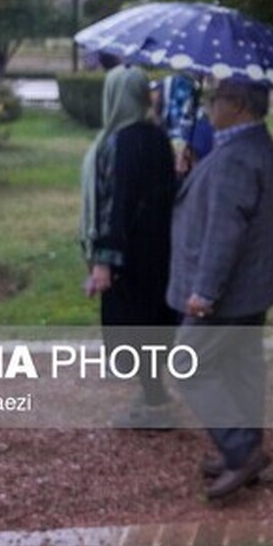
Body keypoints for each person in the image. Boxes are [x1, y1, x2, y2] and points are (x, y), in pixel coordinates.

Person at [167, 78, 273, 500]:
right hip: (253, 286)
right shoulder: (254, 145)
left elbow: (224, 231)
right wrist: (194, 173)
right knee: (240, 367)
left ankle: (240, 451)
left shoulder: (237, 155)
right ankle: (246, 447)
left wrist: (205, 293)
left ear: (237, 105)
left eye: (215, 100)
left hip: (228, 292)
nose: (209, 108)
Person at [78, 65, 179, 428]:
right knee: (152, 326)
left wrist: (103, 261)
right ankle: (155, 397)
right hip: (159, 251)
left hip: (127, 255)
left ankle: (157, 407)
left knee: (131, 330)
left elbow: (114, 204)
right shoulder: (158, 137)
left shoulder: (117, 142)